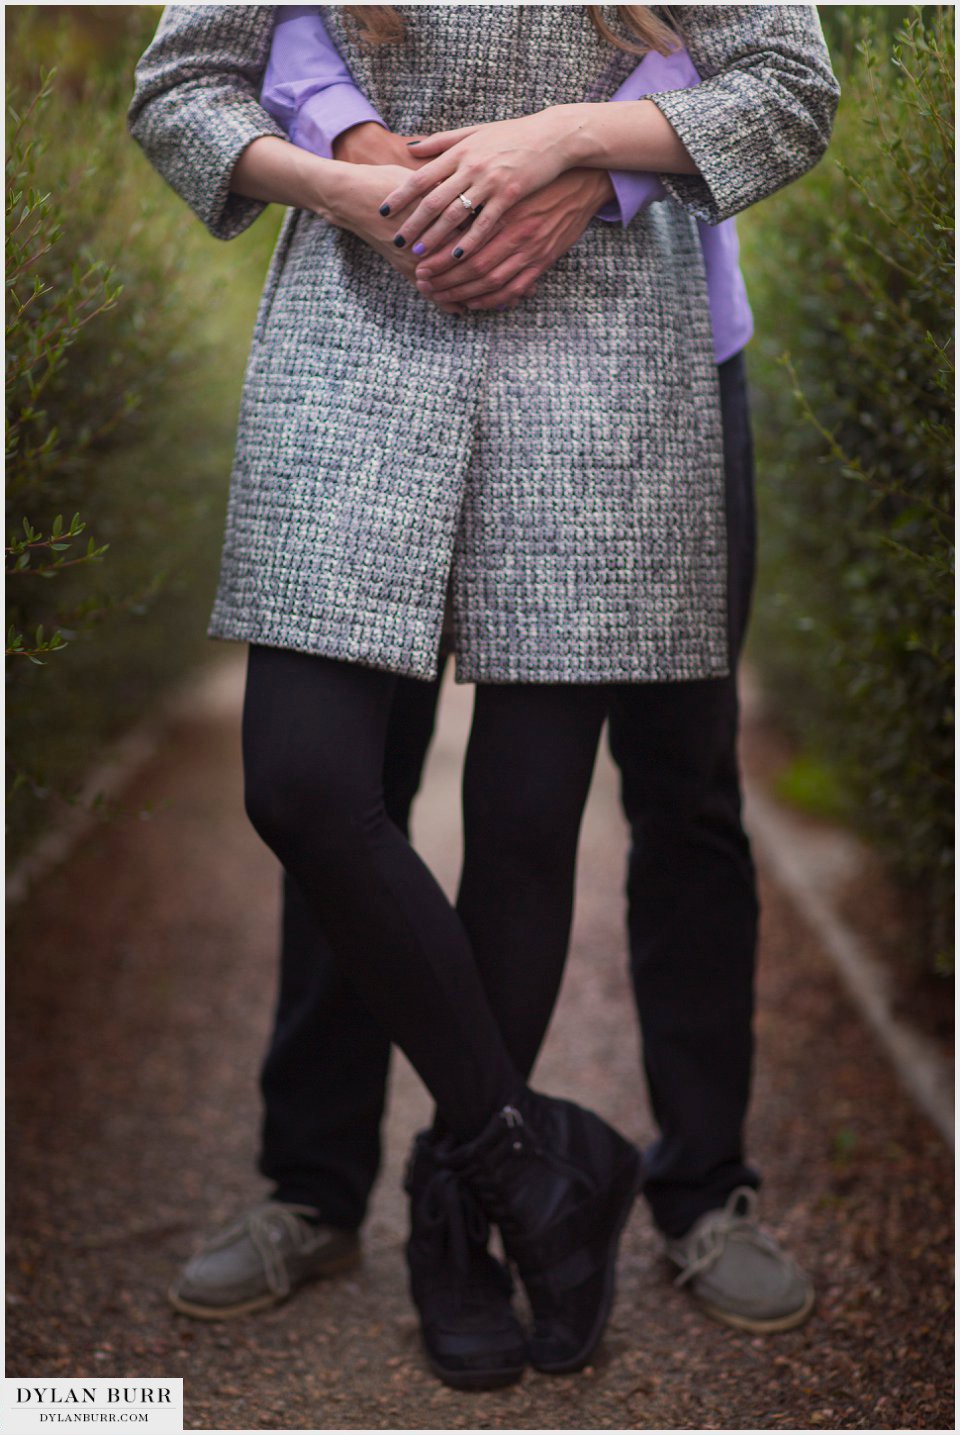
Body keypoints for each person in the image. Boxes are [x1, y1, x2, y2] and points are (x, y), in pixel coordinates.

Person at [128, 2, 839, 1389]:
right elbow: (231, 60)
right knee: (326, 788)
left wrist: (579, 155)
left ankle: (565, 1197)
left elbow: (772, 75)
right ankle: (430, 1170)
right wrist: (348, 162)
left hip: (632, 338)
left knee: (605, 801)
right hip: (367, 311)